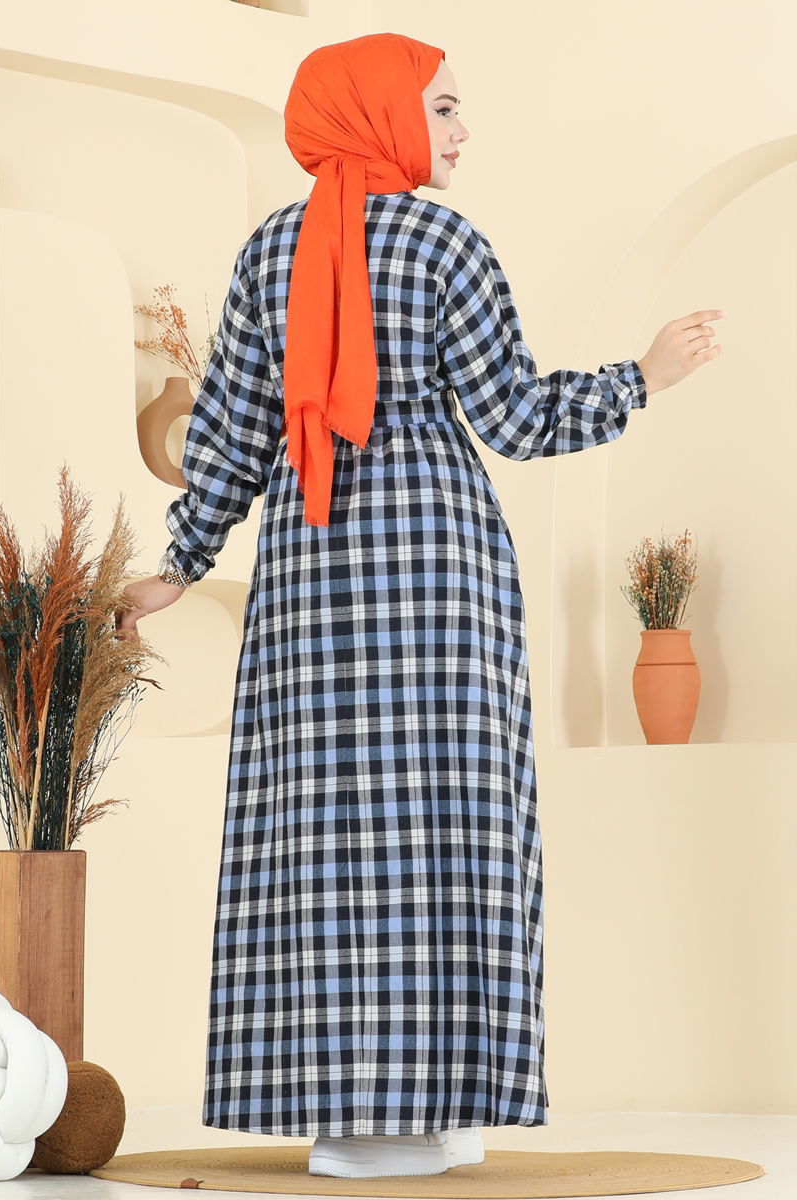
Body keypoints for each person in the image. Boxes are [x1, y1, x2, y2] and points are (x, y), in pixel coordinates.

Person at [116, 32, 723, 1181]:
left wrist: (180, 565)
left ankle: (348, 1118)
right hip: (440, 584)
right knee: (448, 830)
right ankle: (437, 1105)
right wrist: (640, 376)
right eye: (440, 108)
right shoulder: (444, 244)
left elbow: (229, 443)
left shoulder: (268, 254)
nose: (459, 130)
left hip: (308, 589)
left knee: (320, 835)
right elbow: (515, 418)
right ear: (380, 116)